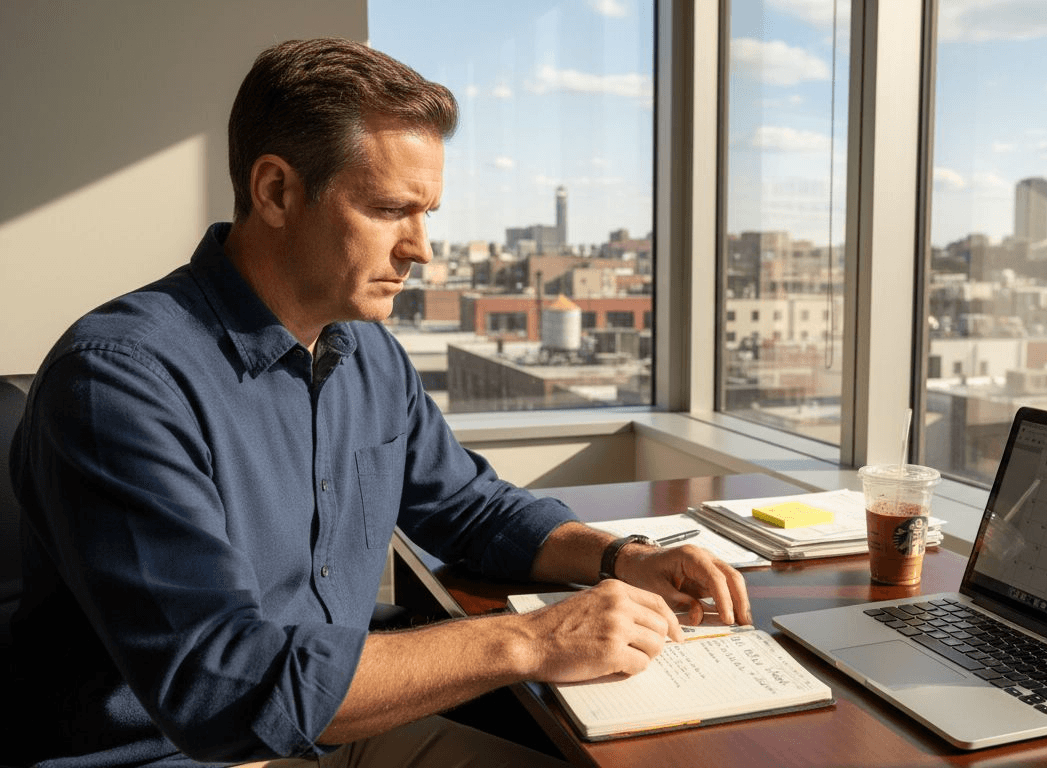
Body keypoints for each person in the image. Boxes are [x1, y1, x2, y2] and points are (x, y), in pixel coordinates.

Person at [9, 37, 751, 767]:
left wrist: (621, 557)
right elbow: (221, 688)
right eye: (393, 209)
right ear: (275, 191)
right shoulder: (118, 381)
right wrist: (532, 640)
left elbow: (470, 509)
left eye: (427, 213)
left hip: (342, 727)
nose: (421, 248)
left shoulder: (366, 353)